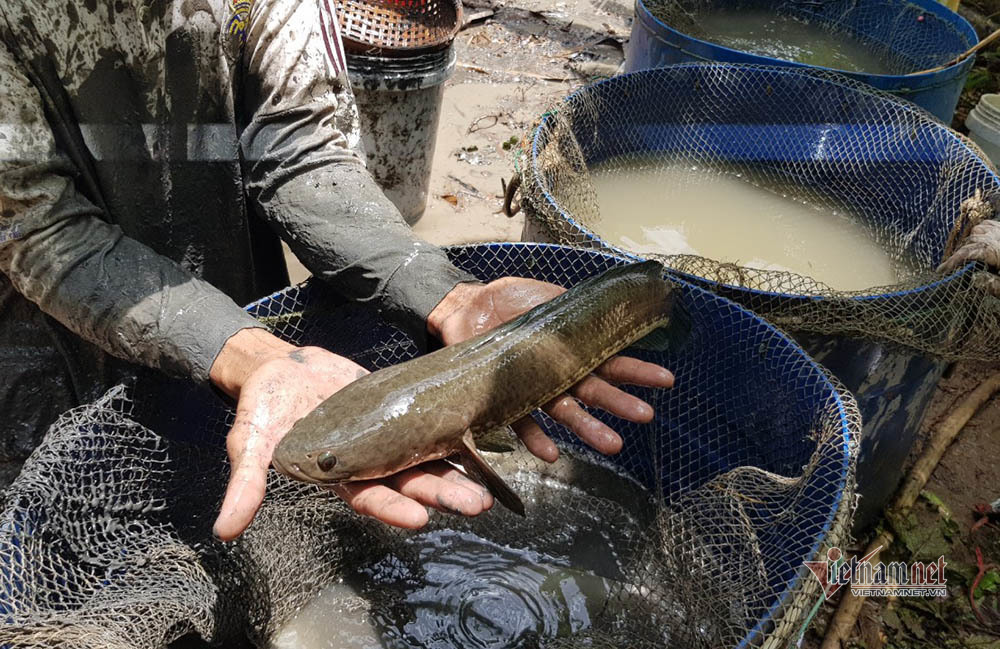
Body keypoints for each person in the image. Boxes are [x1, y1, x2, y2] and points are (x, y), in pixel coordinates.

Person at [0, 0, 674, 541]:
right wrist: (247, 348)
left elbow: (299, 148)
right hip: (55, 358)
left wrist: (443, 294)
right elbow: (41, 227)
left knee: (232, 497)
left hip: (241, 310)